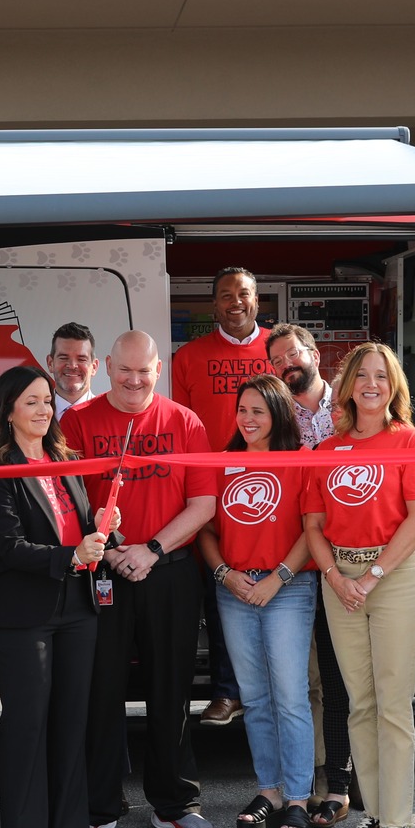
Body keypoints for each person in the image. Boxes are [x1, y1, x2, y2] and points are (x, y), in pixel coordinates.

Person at [63, 331, 219, 828]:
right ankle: (100, 804)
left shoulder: (184, 421)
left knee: (170, 690)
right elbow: (65, 501)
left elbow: (203, 504)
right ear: (107, 366)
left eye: (144, 371)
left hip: (167, 572)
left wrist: (151, 550)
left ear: (158, 370)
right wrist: (108, 550)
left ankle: (174, 801)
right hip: (102, 570)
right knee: (99, 689)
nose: (134, 380)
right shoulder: (77, 421)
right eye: (125, 369)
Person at [300, 343, 415, 828]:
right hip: (341, 579)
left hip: (394, 576)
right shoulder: (325, 452)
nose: (372, 384)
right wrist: (337, 577)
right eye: (362, 375)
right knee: (360, 704)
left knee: (394, 705)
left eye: (382, 376)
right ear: (348, 385)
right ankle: (375, 816)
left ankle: (399, 822)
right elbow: (312, 527)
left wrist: (373, 575)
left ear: (394, 385)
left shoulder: (412, 439)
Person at [0, 366, 107, 828]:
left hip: (78, 611)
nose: (42, 410)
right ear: (8, 409)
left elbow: (83, 529)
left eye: (46, 401)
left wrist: (102, 534)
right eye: (30, 401)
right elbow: (10, 549)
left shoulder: (65, 461)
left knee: (72, 725)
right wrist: (72, 556)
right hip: (22, 617)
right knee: (26, 730)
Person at [197, 374, 319, 828]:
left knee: (289, 695)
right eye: (242, 410)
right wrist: (225, 574)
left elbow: (313, 529)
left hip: (286, 587)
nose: (247, 420)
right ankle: (267, 790)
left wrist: (278, 579)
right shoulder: (222, 463)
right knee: (255, 697)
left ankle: (298, 799)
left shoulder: (300, 460)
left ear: (279, 416)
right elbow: (205, 530)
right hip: (235, 589)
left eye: (258, 412)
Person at [171, 268, 270, 727]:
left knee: (275, 585)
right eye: (226, 295)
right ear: (213, 305)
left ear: (257, 300)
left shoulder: (276, 349)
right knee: (220, 585)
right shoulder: (188, 357)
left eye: (243, 294)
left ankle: (266, 687)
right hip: (211, 489)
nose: (235, 302)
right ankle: (227, 692)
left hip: (270, 486)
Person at [268, 322, 355, 825]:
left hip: (352, 557)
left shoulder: (351, 406)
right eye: (277, 359)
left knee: (346, 674)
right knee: (312, 680)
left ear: (315, 353)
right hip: (300, 561)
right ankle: (323, 777)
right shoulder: (277, 417)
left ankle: (348, 777)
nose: (287, 363)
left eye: (294, 353)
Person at [47, 322, 99, 419]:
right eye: (63, 358)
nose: (72, 366)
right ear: (50, 363)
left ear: (94, 367)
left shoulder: (108, 415)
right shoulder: (33, 416)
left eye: (81, 359)